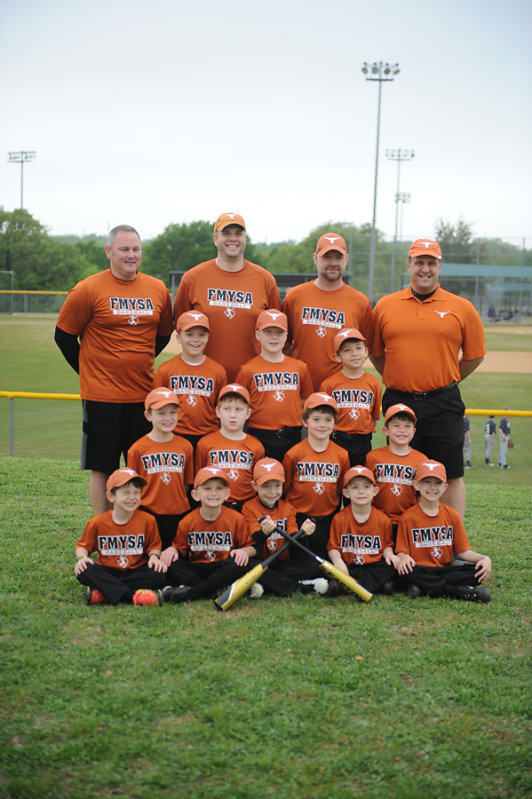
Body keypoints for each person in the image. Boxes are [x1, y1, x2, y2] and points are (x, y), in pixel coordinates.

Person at [55, 225, 173, 514]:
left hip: (143, 396)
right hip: (101, 397)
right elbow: (64, 337)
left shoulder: (157, 288)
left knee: (142, 464)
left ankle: (139, 525)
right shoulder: (88, 289)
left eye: (136, 249)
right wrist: (90, 371)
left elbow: (162, 335)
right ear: (109, 251)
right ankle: (104, 527)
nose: (131, 255)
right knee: (103, 467)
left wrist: (138, 362)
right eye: (124, 249)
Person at [371, 237, 486, 518]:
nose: (425, 269)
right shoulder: (385, 305)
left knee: (450, 473)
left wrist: (447, 378)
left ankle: (453, 537)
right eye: (419, 262)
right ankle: (402, 533)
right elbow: (375, 352)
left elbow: (474, 356)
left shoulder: (461, 307)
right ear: (409, 265)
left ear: (439, 267)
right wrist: (398, 376)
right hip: (399, 401)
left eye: (431, 263)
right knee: (400, 472)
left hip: (443, 401)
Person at [173, 213, 281, 382]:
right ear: (215, 239)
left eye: (238, 233)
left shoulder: (265, 280)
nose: (233, 238)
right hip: (203, 380)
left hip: (253, 379)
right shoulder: (193, 278)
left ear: (245, 238)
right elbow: (181, 324)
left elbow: (276, 327)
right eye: (226, 233)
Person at [282, 232, 374, 389]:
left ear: (346, 259)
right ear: (315, 258)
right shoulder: (295, 296)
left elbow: (366, 348)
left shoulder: (360, 302)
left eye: (338, 257)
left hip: (341, 392)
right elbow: (284, 344)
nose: (333, 262)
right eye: (327, 257)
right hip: (300, 390)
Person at [395, 460, 492, 602]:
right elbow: (401, 551)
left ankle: (422, 587)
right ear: (416, 485)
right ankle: (460, 592)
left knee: (478, 571)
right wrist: (403, 557)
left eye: (438, 483)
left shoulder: (452, 515)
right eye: (427, 482)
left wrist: (484, 559)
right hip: (420, 569)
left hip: (445, 569)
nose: (432, 487)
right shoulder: (408, 517)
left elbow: (462, 552)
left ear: (445, 487)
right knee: (405, 571)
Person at [160, 467, 258, 603]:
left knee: (241, 563)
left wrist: (245, 551)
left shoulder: (237, 519)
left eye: (219, 488)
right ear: (195, 495)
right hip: (197, 567)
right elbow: (180, 550)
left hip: (222, 566)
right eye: (207, 488)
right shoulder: (187, 521)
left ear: (227, 493)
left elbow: (253, 548)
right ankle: (214, 590)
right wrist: (172, 549)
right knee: (170, 562)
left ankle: (192, 592)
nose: (213, 493)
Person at [74, 468, 167, 606]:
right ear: (111, 496)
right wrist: (82, 558)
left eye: (136, 492)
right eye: (126, 493)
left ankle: (104, 593)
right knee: (85, 570)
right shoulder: (97, 522)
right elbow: (83, 546)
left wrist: (154, 557)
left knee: (158, 575)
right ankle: (134, 596)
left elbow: (153, 546)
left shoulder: (148, 520)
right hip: (108, 570)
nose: (132, 497)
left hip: (136, 570)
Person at [242, 458, 328, 596]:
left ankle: (265, 585)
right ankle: (302, 586)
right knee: (246, 566)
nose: (272, 492)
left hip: (284, 563)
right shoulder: (249, 507)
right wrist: (265, 531)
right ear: (255, 486)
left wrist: (303, 532)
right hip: (261, 561)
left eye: (277, 486)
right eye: (265, 486)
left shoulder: (288, 507)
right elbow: (256, 537)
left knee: (311, 565)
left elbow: (292, 537)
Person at [236, 309, 313, 461]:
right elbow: (240, 404)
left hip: (292, 434)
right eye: (268, 332)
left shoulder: (300, 367)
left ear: (286, 336)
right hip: (259, 434)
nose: (274, 337)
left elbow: (305, 400)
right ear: (257, 335)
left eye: (279, 332)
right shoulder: (247, 369)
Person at [283, 393, 350, 558]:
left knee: (324, 559)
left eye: (328, 420)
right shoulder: (294, 453)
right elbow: (285, 488)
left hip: (328, 519)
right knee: (300, 560)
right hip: (299, 519)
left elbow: (340, 488)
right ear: (305, 422)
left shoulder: (342, 455)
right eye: (316, 419)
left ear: (335, 423)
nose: (322, 425)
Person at [126, 388, 194, 549]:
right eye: (161, 413)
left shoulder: (185, 446)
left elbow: (186, 483)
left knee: (177, 557)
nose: (168, 418)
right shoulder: (137, 449)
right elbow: (133, 486)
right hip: (148, 514)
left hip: (179, 514)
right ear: (148, 415)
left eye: (173, 412)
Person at [153, 311, 227, 451]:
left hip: (209, 435)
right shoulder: (165, 370)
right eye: (189, 334)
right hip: (175, 434)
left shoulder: (218, 371)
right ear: (178, 337)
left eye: (201, 334)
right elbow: (157, 407)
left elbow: (221, 407)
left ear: (208, 337)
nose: (196, 339)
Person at [327, 466, 399, 595]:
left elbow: (386, 546)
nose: (361, 491)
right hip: (349, 565)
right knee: (328, 566)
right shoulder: (339, 518)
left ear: (375, 491)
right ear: (346, 493)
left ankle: (346, 585)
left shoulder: (383, 520)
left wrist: (389, 555)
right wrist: (338, 562)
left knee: (391, 566)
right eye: (355, 487)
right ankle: (377, 586)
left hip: (372, 565)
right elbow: (333, 548)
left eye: (366, 487)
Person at [194, 384, 265, 510]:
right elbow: (199, 480)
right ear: (217, 412)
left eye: (238, 409)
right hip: (215, 505)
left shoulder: (256, 446)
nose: (233, 415)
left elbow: (258, 481)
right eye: (227, 409)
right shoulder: (205, 444)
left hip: (246, 506)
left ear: (248, 413)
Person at [319, 328, 381, 466]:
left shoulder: (374, 383)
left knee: (360, 477)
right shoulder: (329, 385)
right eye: (347, 350)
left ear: (366, 351)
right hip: (337, 440)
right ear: (337, 356)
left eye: (359, 348)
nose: (354, 354)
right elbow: (325, 418)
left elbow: (374, 418)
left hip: (363, 442)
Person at [365, 404, 427, 541]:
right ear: (386, 430)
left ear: (414, 431)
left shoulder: (421, 460)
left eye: (407, 426)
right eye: (396, 425)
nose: (402, 430)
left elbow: (422, 494)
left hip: (408, 521)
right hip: (377, 520)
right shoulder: (373, 457)